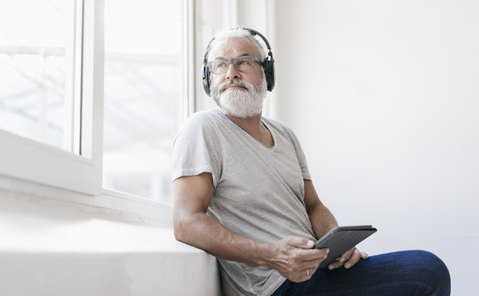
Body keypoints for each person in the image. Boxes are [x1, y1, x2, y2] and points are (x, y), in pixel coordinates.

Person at [172, 27, 450, 296]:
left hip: (315, 268)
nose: (231, 73)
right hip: (276, 284)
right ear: (209, 78)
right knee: (427, 270)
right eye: (220, 65)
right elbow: (186, 221)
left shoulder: (284, 134)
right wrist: (272, 255)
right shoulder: (203, 128)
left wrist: (336, 242)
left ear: (267, 74)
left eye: (244, 63)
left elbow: (314, 205)